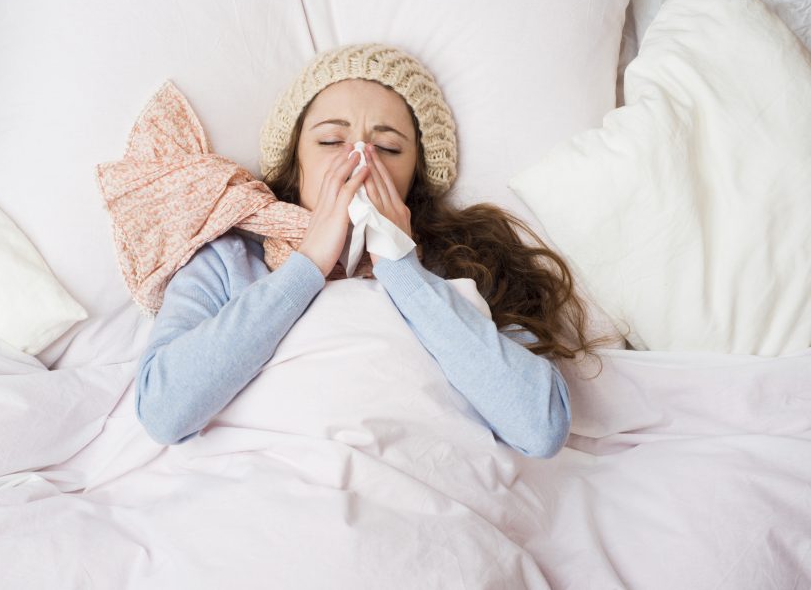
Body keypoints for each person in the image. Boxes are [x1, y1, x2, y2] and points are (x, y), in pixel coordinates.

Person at [135, 43, 614, 456]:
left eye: (387, 149)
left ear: (416, 176)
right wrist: (306, 268)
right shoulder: (228, 256)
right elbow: (163, 411)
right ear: (294, 160)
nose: (359, 159)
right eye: (330, 140)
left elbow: (540, 426)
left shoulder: (464, 261)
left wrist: (403, 270)